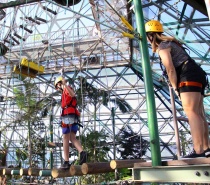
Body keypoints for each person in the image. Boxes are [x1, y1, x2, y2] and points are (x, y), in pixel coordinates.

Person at [145, 20, 209, 159]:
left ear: (150, 36)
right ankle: (206, 148)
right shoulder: (173, 43)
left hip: (187, 75)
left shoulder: (163, 46)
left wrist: (175, 88)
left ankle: (198, 150)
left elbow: (170, 69)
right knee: (199, 113)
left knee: (191, 113)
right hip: (198, 74)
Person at [54, 76, 87, 168]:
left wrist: (64, 84)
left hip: (68, 116)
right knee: (72, 138)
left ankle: (66, 161)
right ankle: (82, 152)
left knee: (65, 138)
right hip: (73, 116)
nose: (57, 89)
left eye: (57, 86)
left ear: (59, 84)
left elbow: (72, 94)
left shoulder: (66, 89)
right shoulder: (64, 91)